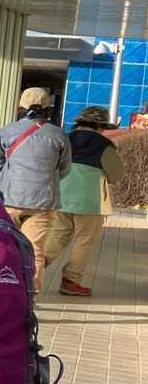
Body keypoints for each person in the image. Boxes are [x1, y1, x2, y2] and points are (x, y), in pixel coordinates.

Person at [0, 87, 72, 290]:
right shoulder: (58, 134)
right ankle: (30, 293)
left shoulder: (7, 131)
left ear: (20, 107)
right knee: (35, 250)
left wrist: (13, 173)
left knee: (4, 246)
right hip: (42, 202)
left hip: (9, 199)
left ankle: (0, 288)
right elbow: (64, 168)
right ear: (48, 108)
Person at [49, 105, 124, 297]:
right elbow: (116, 174)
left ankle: (33, 268)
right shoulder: (104, 145)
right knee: (84, 240)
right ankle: (71, 282)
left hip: (61, 196)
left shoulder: (63, 139)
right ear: (101, 126)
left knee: (58, 235)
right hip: (91, 201)